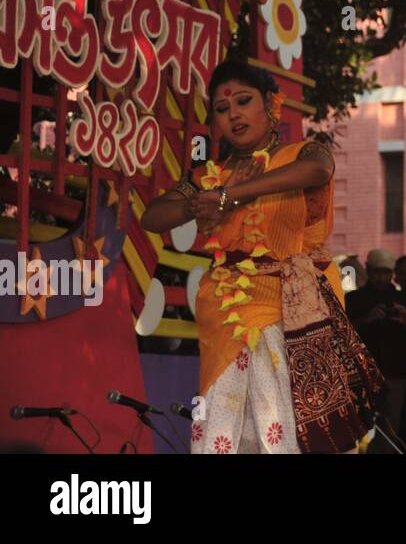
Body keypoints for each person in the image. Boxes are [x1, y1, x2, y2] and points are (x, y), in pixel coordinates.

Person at [141, 61, 382, 454]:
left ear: (270, 104)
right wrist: (201, 201)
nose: (233, 113)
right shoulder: (211, 174)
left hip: (290, 313)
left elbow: (319, 170)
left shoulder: (302, 153)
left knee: (286, 431)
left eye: (243, 100)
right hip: (227, 315)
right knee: (224, 432)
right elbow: (154, 216)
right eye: (222, 108)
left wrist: (232, 195)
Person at [344, 248, 406, 447]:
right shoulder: (354, 299)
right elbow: (341, 334)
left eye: (386, 273)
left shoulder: (403, 300)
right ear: (368, 269)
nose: (382, 278)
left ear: (392, 274)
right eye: (377, 272)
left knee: (390, 430)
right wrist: (366, 319)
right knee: (359, 427)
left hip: (395, 371)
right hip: (361, 373)